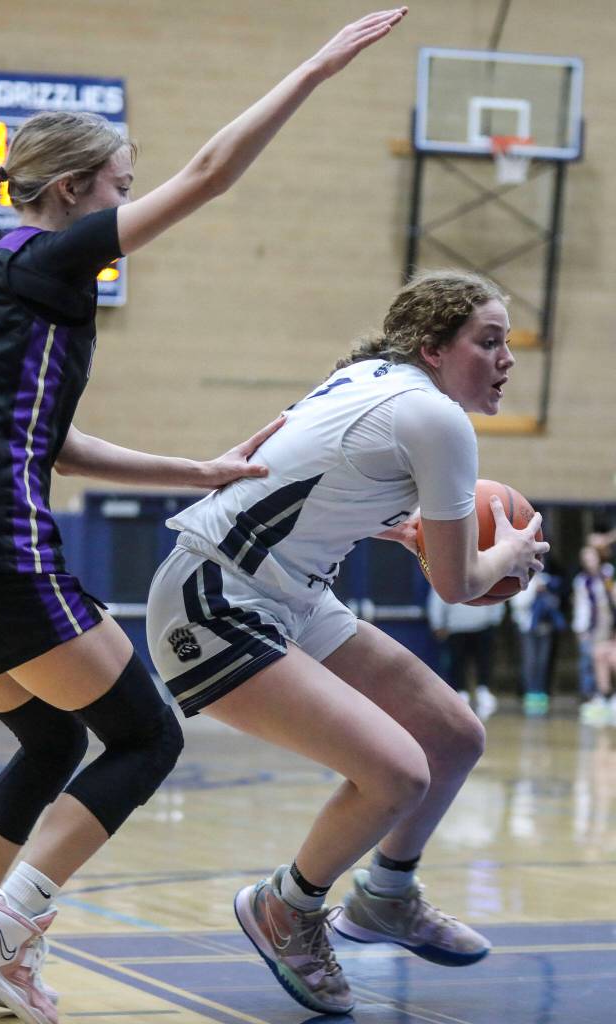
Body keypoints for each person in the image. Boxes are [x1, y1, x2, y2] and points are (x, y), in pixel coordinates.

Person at [0, 10, 410, 1023]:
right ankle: (2, 928)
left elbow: (53, 442)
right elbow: (211, 174)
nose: (127, 203)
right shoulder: (47, 259)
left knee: (51, 744)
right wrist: (312, 67)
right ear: (73, 191)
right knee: (145, 738)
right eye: (120, 187)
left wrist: (198, 470)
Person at [146, 269, 548, 1016]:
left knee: (452, 736)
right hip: (215, 601)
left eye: (507, 343)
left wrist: (383, 522)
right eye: (488, 341)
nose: (506, 359)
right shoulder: (437, 418)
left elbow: (311, 475)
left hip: (289, 591)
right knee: (397, 774)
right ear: (432, 349)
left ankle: (386, 896)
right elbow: (459, 584)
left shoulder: (371, 380)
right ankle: (286, 906)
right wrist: (511, 555)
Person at [426, 590, 503, 719]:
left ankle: (483, 691)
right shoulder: (446, 577)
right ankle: (461, 692)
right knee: (457, 663)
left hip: (483, 625)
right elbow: (438, 595)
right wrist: (438, 624)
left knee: (484, 661)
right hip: (456, 627)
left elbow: (497, 593)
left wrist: (495, 619)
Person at [509, 564, 566, 716]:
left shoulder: (547, 580)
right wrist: (534, 590)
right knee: (530, 660)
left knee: (542, 661)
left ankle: (541, 692)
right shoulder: (519, 580)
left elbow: (555, 602)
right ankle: (530, 692)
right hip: (527, 628)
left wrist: (546, 591)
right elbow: (518, 604)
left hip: (545, 628)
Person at [573, 545, 616, 724]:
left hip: (608, 623)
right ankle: (600, 697)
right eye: (585, 558)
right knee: (595, 657)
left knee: (611, 659)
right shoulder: (582, 580)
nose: (589, 561)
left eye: (591, 557)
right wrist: (581, 629)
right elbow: (581, 606)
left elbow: (611, 598)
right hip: (593, 626)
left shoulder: (607, 574)